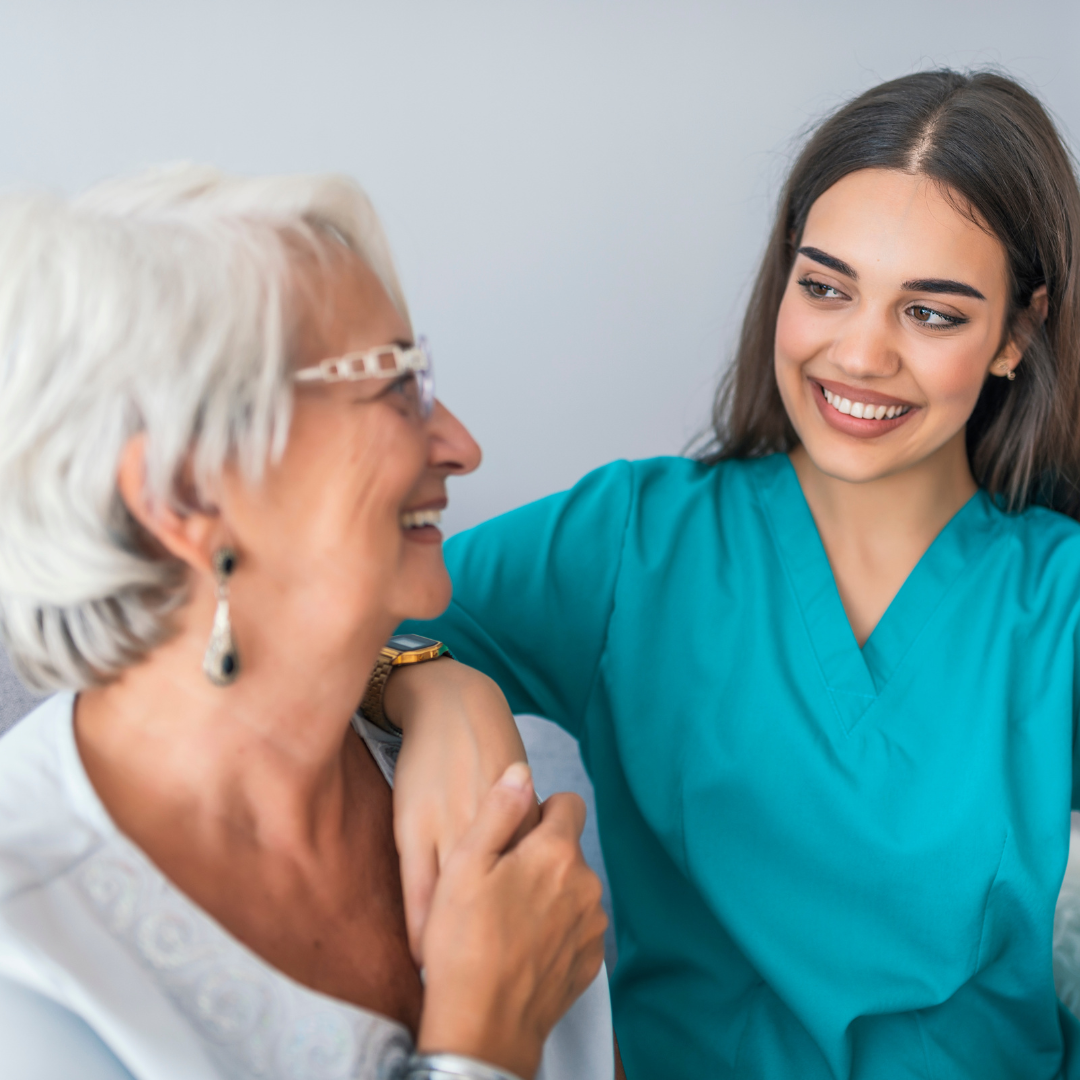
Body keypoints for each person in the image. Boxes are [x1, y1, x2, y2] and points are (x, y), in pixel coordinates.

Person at [384, 70, 1080, 1078]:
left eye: (931, 314)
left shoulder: (1058, 600)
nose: (860, 353)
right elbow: (338, 617)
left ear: (1017, 333)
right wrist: (431, 686)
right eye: (826, 287)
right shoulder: (631, 542)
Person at [0, 166, 613, 1080]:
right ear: (183, 489)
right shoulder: (27, 955)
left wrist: (436, 678)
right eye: (397, 385)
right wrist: (487, 1036)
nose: (462, 444)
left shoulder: (494, 786)